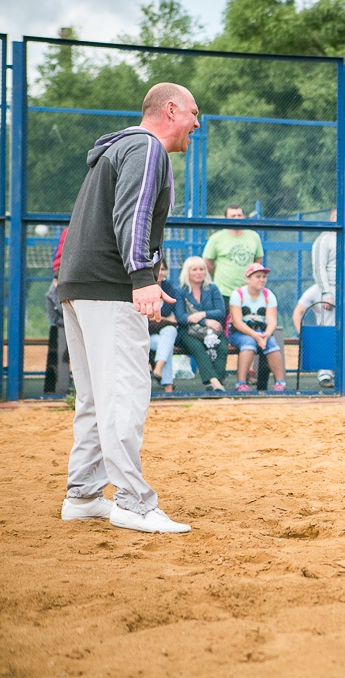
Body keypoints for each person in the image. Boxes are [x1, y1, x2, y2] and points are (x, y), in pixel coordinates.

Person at [57, 82, 198, 534]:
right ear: (171, 109)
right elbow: (132, 214)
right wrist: (141, 278)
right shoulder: (147, 148)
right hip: (109, 287)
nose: (197, 123)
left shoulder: (118, 149)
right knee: (124, 395)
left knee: (96, 399)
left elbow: (120, 217)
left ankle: (83, 495)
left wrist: (150, 274)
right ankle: (136, 504)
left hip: (80, 287)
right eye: (194, 113)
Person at [228, 263, 287, 392]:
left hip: (261, 332)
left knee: (272, 344)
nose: (262, 279)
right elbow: (237, 322)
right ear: (248, 279)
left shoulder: (268, 295)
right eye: (257, 276)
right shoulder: (238, 294)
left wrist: (266, 335)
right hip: (240, 333)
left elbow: (272, 321)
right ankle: (241, 383)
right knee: (249, 343)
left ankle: (280, 383)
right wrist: (255, 335)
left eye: (264, 277)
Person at [174, 255, 228, 392]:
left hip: (211, 330)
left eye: (201, 269)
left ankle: (215, 382)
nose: (199, 272)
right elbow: (181, 317)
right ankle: (215, 382)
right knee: (198, 347)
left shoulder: (212, 289)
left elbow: (221, 311)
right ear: (187, 272)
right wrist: (205, 320)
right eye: (194, 269)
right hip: (187, 332)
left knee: (222, 346)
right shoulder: (180, 291)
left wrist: (202, 314)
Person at [202, 204, 263, 300]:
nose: (237, 218)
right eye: (233, 216)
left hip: (247, 292)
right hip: (224, 293)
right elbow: (207, 262)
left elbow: (258, 260)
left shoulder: (254, 236)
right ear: (226, 218)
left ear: (244, 217)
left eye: (239, 215)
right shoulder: (216, 238)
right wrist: (218, 274)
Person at [291, 283, 336, 387]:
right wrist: (302, 333)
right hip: (324, 334)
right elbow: (298, 312)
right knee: (324, 338)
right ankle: (325, 375)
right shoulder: (315, 290)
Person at [148, 260, 179, 394]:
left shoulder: (168, 288)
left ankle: (157, 370)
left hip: (160, 335)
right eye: (157, 269)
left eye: (163, 269)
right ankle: (168, 386)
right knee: (167, 344)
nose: (160, 273)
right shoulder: (144, 289)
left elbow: (168, 312)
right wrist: (165, 320)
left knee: (170, 332)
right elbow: (145, 318)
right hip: (145, 336)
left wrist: (155, 319)